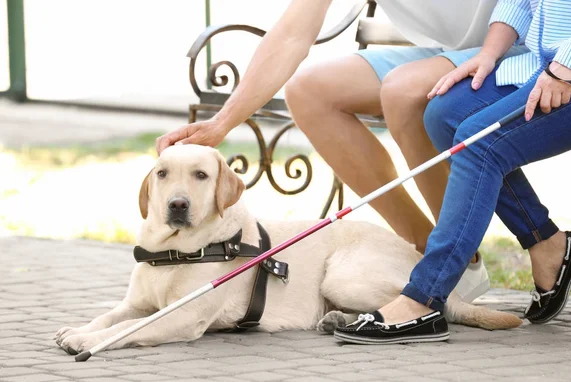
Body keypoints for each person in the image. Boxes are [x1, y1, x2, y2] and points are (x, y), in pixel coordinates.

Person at [157, 0, 532, 304]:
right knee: (310, 91)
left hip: (530, 46)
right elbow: (291, 35)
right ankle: (430, 255)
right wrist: (222, 123)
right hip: (445, 55)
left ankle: (452, 257)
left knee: (405, 92)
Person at [334, 0, 571, 344]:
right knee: (443, 116)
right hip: (546, 63)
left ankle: (423, 298)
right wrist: (489, 54)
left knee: (479, 145)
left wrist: (568, 67)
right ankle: (547, 243)